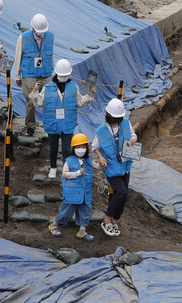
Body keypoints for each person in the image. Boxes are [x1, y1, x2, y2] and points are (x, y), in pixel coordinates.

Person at [32, 59, 95, 178]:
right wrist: (35, 91)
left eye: (66, 75)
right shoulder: (48, 87)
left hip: (68, 123)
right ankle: (53, 168)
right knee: (53, 148)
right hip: (52, 123)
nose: (64, 77)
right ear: (56, 73)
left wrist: (90, 94)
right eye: (62, 75)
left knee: (67, 148)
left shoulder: (73, 87)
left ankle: (66, 169)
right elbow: (39, 102)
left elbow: (80, 102)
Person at [93, 98, 137, 237]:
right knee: (121, 192)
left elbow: (133, 134)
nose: (118, 120)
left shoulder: (126, 123)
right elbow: (95, 147)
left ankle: (116, 220)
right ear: (109, 115)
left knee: (121, 195)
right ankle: (107, 220)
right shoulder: (101, 131)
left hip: (125, 165)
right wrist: (100, 157)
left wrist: (133, 138)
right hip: (111, 166)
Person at [48, 133, 95, 242]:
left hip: (85, 192)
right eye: (78, 147)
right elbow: (65, 174)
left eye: (83, 147)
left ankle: (82, 231)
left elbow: (95, 166)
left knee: (86, 210)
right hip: (72, 191)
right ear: (73, 148)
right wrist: (77, 173)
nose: (81, 149)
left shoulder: (89, 160)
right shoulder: (69, 161)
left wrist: (101, 164)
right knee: (67, 209)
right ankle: (54, 225)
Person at [13, 13, 54, 137]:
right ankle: (30, 125)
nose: (40, 34)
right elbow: (18, 56)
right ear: (33, 28)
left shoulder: (50, 36)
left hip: (46, 72)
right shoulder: (23, 37)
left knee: (50, 98)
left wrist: (53, 67)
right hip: (29, 73)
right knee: (31, 99)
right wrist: (17, 76)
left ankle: (50, 124)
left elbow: (51, 54)